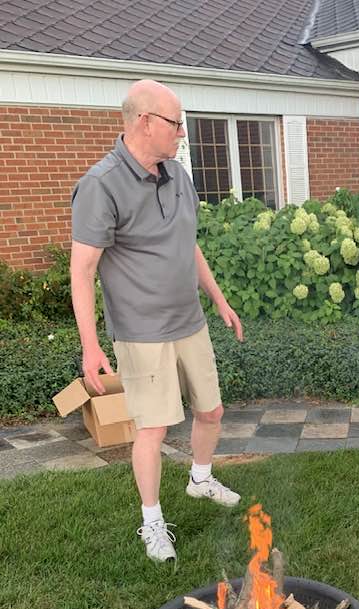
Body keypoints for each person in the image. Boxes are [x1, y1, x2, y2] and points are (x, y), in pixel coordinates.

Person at [70, 79, 244, 563]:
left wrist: (219, 299)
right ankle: (151, 522)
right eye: (176, 123)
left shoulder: (177, 174)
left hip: (189, 321)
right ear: (145, 122)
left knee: (211, 411)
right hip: (142, 333)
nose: (182, 133)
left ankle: (200, 479)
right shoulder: (101, 185)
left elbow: (188, 243)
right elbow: (82, 271)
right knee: (153, 428)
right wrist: (90, 346)